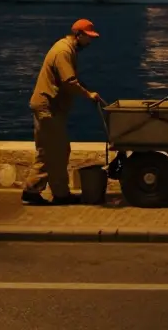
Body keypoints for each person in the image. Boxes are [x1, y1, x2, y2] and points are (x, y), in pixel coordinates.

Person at [22, 18, 104, 206]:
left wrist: (87, 89)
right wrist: (88, 95)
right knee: (58, 151)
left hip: (46, 105)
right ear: (79, 35)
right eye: (88, 37)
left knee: (46, 151)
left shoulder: (66, 49)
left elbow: (71, 79)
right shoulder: (64, 51)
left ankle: (31, 191)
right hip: (48, 107)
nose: (90, 42)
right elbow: (69, 82)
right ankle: (61, 195)